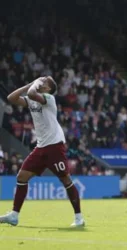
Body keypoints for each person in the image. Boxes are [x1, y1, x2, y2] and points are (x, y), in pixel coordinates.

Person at [0, 77, 85, 227]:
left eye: (44, 82)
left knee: (65, 180)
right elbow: (11, 98)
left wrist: (35, 83)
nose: (41, 82)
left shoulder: (48, 98)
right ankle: (14, 215)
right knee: (21, 176)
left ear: (47, 89)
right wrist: (28, 84)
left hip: (55, 145)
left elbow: (33, 94)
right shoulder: (33, 99)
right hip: (41, 147)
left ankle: (79, 218)